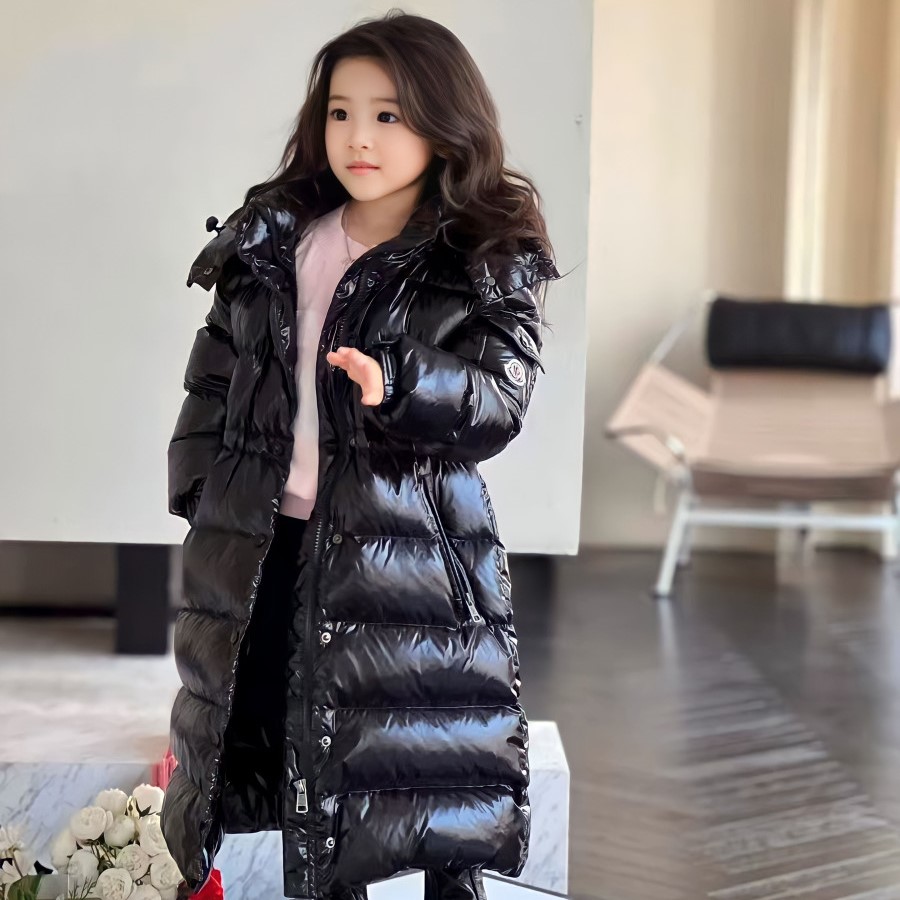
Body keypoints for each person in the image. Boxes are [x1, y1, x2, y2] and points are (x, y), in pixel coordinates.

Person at [161, 9, 560, 900]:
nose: (359, 138)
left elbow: (499, 401)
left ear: (443, 124)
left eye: (388, 115)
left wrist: (401, 379)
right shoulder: (275, 240)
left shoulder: (480, 256)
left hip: (405, 556)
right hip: (271, 541)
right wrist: (200, 490)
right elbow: (215, 371)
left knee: (425, 772)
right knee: (294, 760)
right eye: (341, 112)